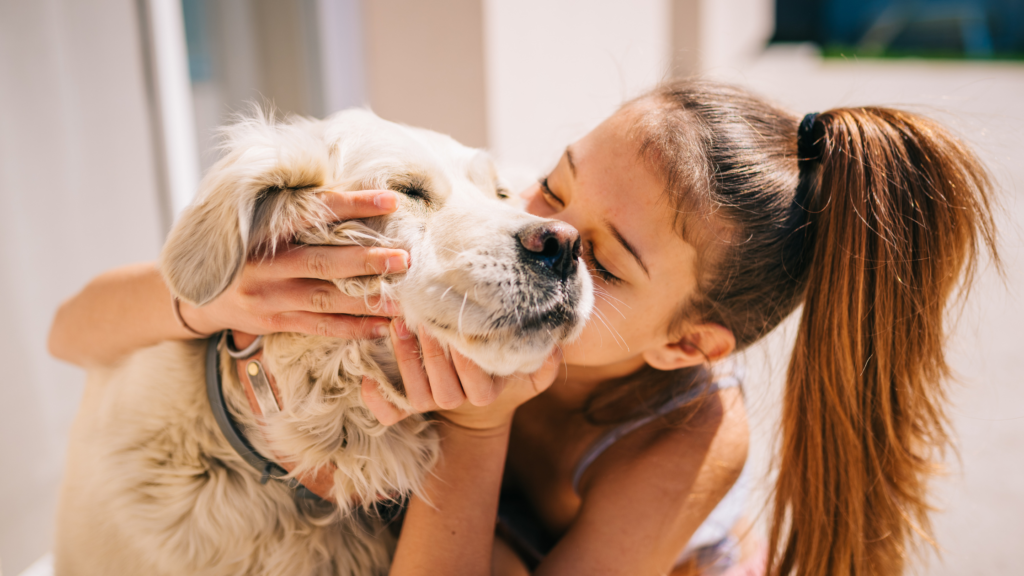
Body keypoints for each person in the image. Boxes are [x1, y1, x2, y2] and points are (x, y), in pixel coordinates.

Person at [49, 80, 997, 576]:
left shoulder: (690, 432)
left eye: (607, 260)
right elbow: (71, 331)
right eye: (551, 181)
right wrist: (214, 301)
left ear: (685, 344)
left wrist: (477, 427)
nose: (537, 232)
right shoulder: (469, 253)